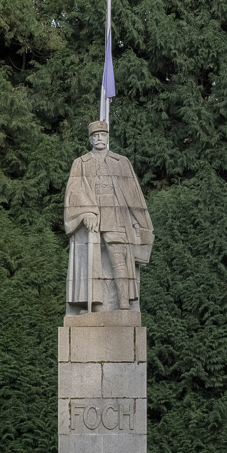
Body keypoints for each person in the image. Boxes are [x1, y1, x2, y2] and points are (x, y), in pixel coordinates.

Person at [64, 120, 153, 313]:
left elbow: (134, 195)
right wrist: (86, 212)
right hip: (92, 220)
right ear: (90, 139)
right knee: (91, 261)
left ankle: (123, 303)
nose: (99, 138)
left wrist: (142, 225)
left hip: (116, 217)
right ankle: (95, 306)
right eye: (95, 136)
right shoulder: (80, 163)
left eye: (102, 135)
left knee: (118, 258)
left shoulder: (121, 162)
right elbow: (74, 192)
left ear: (107, 137)